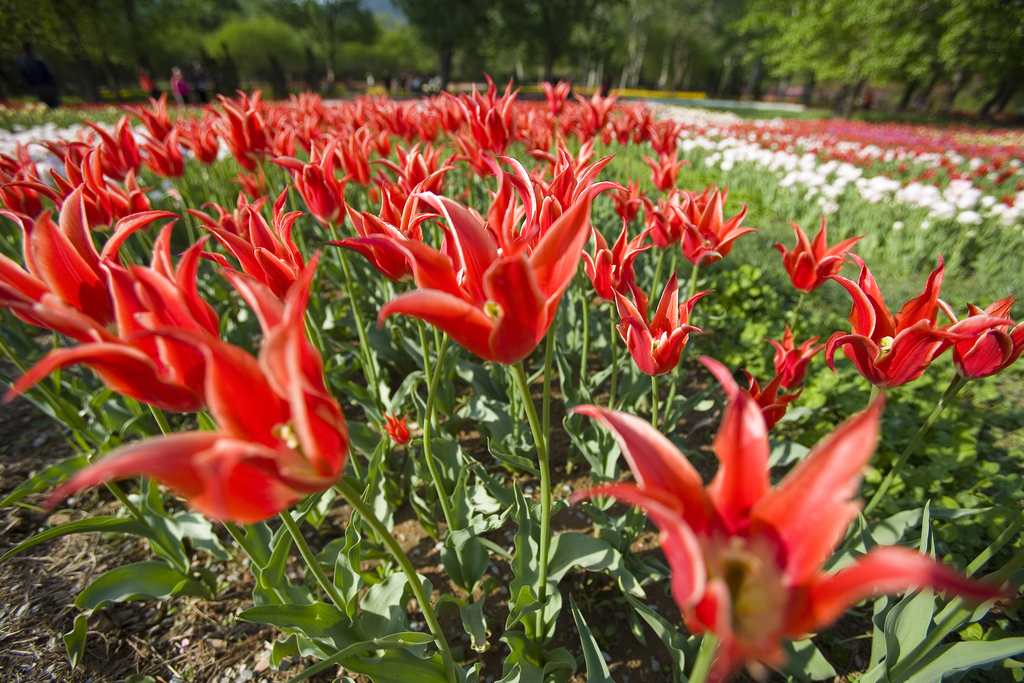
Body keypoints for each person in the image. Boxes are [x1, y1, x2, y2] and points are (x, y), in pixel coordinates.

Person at [16, 42, 59, 108]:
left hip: (34, 86)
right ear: (31, 49)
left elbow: (22, 76)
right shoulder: (39, 61)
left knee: (42, 104)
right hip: (47, 85)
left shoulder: (21, 62)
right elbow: (50, 73)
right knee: (53, 104)